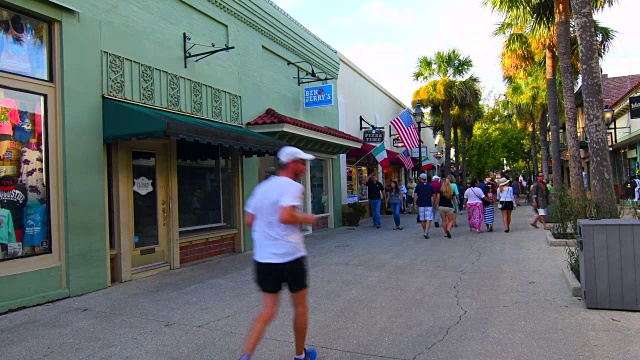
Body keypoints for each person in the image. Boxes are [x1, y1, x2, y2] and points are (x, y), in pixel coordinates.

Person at [241, 146, 318, 360]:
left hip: (264, 259)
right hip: (290, 256)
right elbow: (286, 216)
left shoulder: (262, 188)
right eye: (301, 163)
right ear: (291, 163)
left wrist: (266, 230)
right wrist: (307, 218)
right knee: (300, 306)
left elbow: (249, 220)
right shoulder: (293, 186)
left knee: (267, 310)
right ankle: (300, 355)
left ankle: (245, 356)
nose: (303, 167)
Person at [413, 173, 435, 239]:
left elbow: (415, 195)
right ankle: (426, 231)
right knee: (428, 218)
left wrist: (415, 203)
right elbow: (433, 195)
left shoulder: (418, 186)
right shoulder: (430, 186)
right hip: (428, 204)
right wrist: (433, 202)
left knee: (422, 219)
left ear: (421, 178)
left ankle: (425, 231)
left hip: (421, 204)